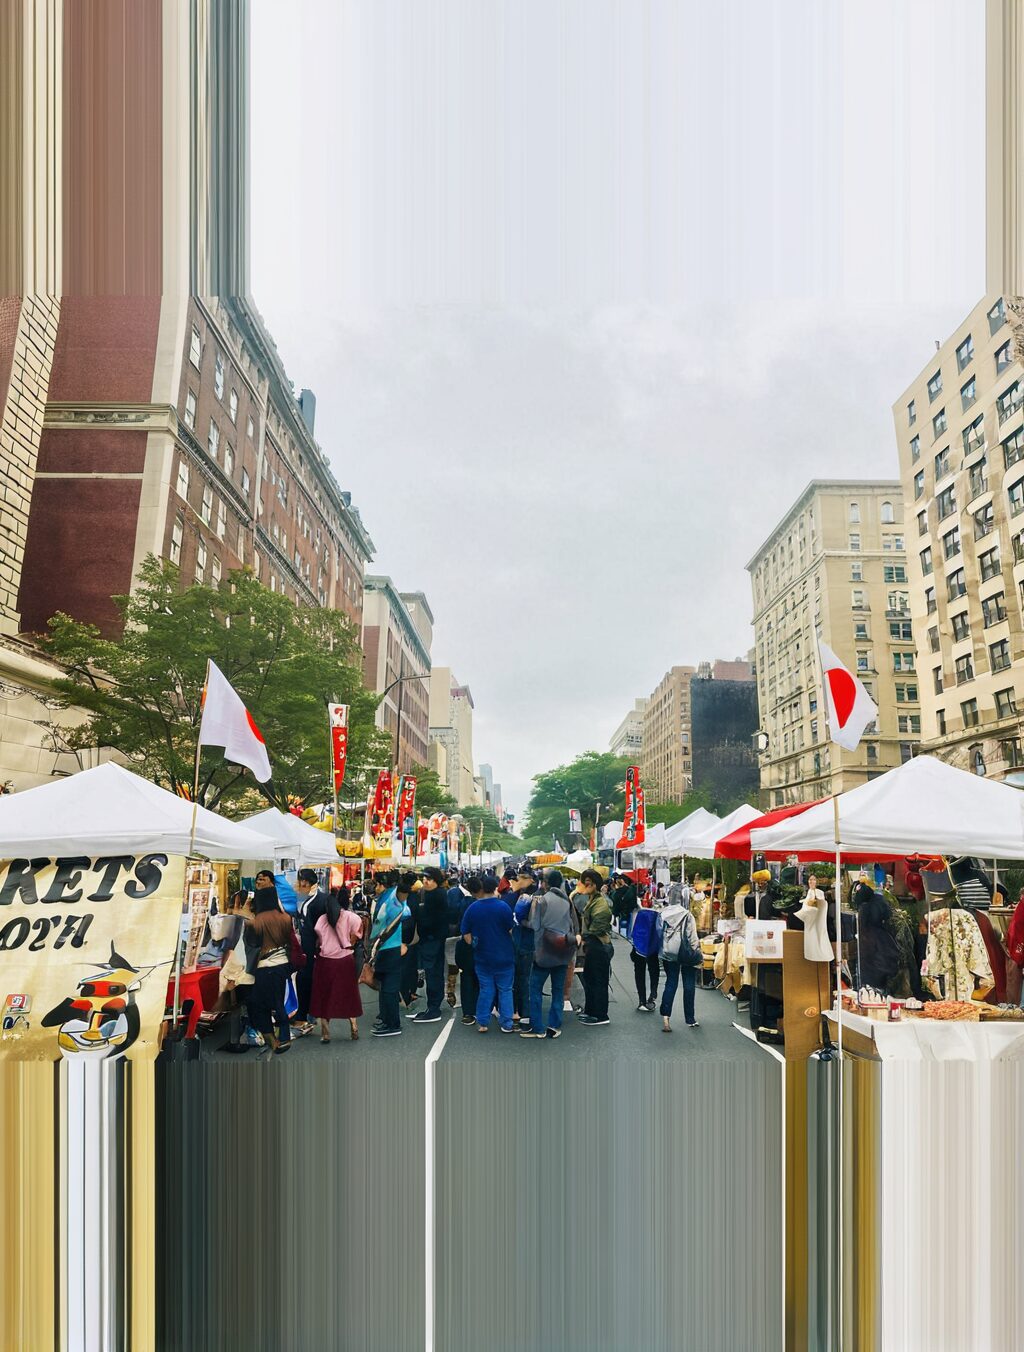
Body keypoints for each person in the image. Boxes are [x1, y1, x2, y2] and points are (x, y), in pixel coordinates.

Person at [521, 870, 576, 1039]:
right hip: (562, 951)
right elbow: (573, 926)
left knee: (535, 988)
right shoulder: (567, 901)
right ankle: (554, 1025)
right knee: (558, 990)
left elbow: (535, 926)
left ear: (545, 883)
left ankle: (538, 1027)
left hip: (544, 952)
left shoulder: (542, 901)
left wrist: (521, 921)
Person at [243, 877, 295, 1054]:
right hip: (283, 964)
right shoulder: (286, 918)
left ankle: (277, 1038)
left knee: (257, 1003)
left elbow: (252, 942)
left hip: (266, 966)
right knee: (277, 1000)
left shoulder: (257, 921)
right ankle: (282, 1037)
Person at [461, 871, 515, 1033]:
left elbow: (466, 934)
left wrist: (475, 944)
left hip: (483, 957)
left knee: (486, 989)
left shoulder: (473, 908)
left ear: (483, 888)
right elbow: (511, 930)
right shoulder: (503, 907)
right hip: (504, 956)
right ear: (496, 888)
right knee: (505, 990)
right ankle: (507, 1023)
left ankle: (483, 1022)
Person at [310, 885, 363, 1043]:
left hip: (325, 962)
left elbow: (318, 940)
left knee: (324, 997)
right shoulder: (352, 917)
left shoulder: (322, 919)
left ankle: (326, 1033)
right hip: (345, 960)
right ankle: (353, 1026)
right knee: (348, 995)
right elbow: (356, 936)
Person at [368, 871, 410, 1038]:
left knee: (389, 988)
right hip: (385, 948)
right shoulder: (386, 898)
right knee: (385, 986)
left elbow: (406, 918)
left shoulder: (392, 899)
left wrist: (403, 943)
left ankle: (393, 1024)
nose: (375, 887)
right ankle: (387, 1019)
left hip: (391, 947)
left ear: (382, 884)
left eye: (376, 883)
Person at [410, 867, 451, 1024]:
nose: (425, 881)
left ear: (436, 881)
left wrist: (420, 917)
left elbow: (434, 920)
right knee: (433, 973)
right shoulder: (432, 894)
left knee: (433, 974)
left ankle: (433, 1009)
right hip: (432, 939)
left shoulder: (437, 895)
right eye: (424, 878)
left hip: (432, 940)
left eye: (429, 879)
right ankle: (432, 1007)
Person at [659, 892, 700, 1031]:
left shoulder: (664, 913)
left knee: (671, 983)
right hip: (685, 952)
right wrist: (696, 952)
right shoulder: (687, 915)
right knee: (689, 985)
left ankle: (666, 1019)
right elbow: (692, 937)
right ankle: (690, 1019)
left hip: (668, 952)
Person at [576, 869, 613, 1025]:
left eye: (589, 883)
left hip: (599, 944)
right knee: (590, 979)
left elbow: (598, 926)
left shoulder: (601, 903)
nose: (586, 885)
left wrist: (584, 937)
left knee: (598, 980)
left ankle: (600, 1015)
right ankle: (591, 1011)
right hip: (592, 945)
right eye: (585, 882)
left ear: (596, 884)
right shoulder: (591, 899)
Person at [293, 867, 326, 1035]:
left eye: (299, 882)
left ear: (305, 883)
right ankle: (306, 1014)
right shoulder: (305, 899)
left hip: (315, 950)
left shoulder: (320, 900)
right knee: (304, 980)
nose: (297, 885)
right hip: (305, 948)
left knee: (306, 980)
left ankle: (305, 1016)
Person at [451, 875, 484, 1025]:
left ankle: (467, 1012)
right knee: (479, 978)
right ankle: (479, 1009)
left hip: (465, 945)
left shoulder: (463, 903)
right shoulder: (480, 904)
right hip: (479, 945)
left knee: (466, 979)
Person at [510, 866, 538, 1024]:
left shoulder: (527, 897)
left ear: (530, 880)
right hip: (525, 941)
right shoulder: (525, 895)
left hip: (524, 941)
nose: (517, 881)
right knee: (523, 978)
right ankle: (522, 1010)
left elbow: (519, 919)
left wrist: (520, 921)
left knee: (522, 978)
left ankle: (522, 1011)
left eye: (521, 878)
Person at [628, 896, 662, 1011]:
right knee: (654, 969)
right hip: (653, 944)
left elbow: (633, 932)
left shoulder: (639, 913)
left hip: (639, 945)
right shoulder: (657, 914)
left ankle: (642, 999)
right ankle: (652, 995)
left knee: (639, 971)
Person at [396, 873, 421, 1011]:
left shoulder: (399, 897)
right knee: (410, 966)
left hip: (402, 937)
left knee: (404, 967)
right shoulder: (413, 897)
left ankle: (405, 994)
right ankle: (409, 993)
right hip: (411, 938)